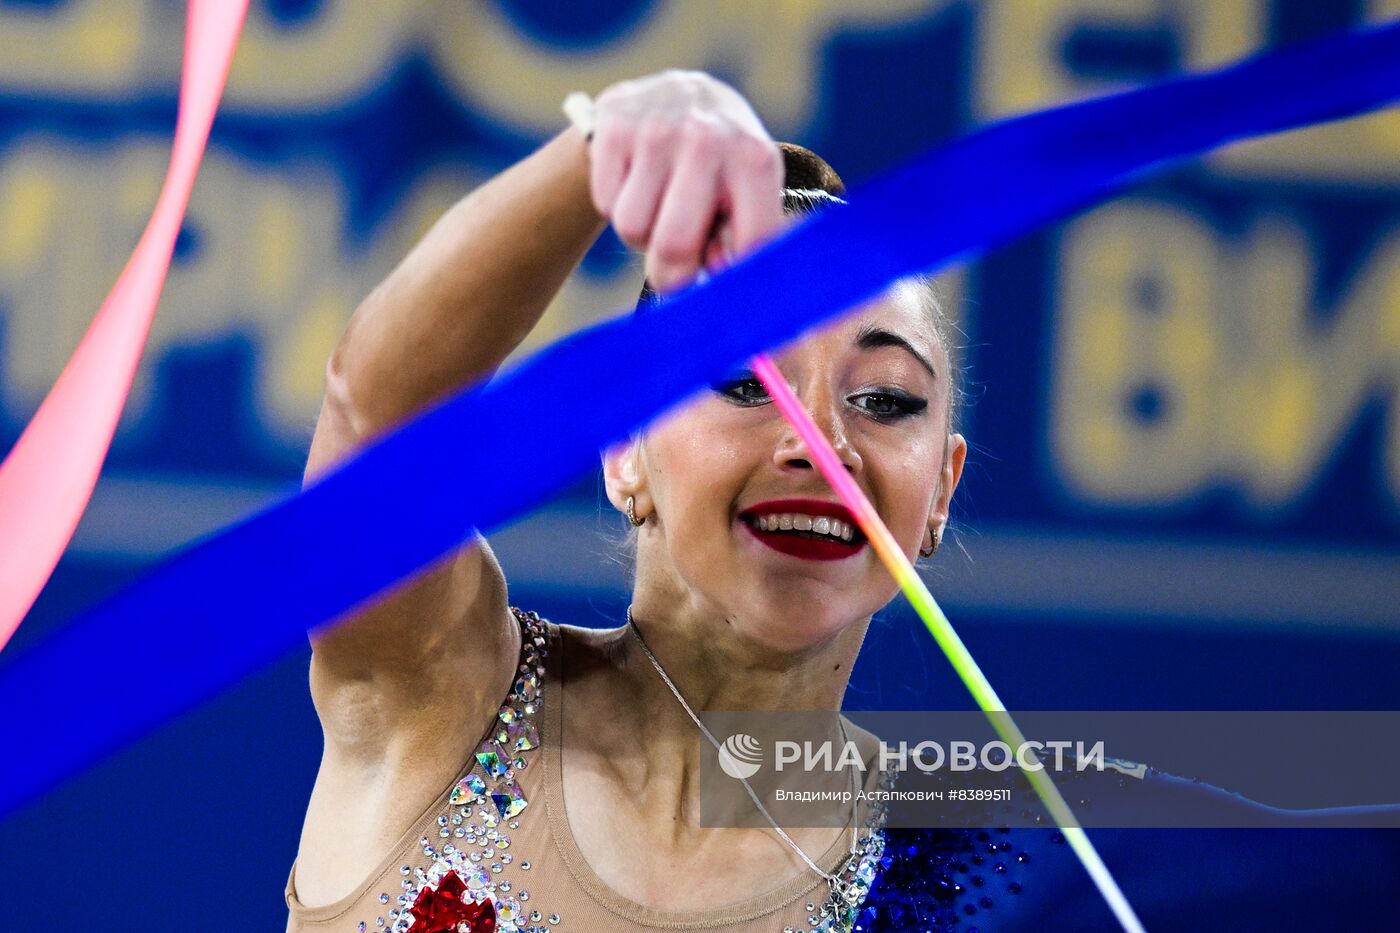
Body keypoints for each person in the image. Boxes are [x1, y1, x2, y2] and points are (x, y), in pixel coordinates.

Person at [283, 68, 966, 933]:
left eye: (884, 399)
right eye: (745, 382)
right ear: (625, 447)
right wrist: (598, 155)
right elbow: (375, 424)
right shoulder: (436, 695)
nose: (823, 444)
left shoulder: (979, 863)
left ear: (940, 489)